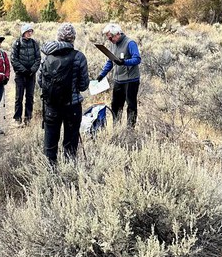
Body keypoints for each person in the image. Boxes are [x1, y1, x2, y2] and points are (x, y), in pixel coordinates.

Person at [38, 23, 89, 165]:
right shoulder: (79, 57)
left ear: (58, 37)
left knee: (50, 143)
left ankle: (50, 172)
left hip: (51, 106)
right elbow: (84, 85)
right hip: (72, 106)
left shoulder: (47, 56)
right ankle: (69, 174)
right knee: (70, 144)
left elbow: (40, 82)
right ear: (73, 38)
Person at [95, 24, 141, 128]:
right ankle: (116, 127)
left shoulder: (130, 43)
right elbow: (110, 61)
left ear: (117, 34)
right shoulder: (113, 44)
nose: (109, 39)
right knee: (115, 105)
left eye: (110, 37)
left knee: (131, 106)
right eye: (107, 37)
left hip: (131, 80)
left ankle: (130, 129)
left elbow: (137, 59)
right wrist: (102, 75)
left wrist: (124, 62)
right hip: (118, 80)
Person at [10, 23, 40, 126]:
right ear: (23, 32)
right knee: (19, 97)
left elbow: (38, 58)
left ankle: (28, 118)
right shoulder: (17, 43)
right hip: (20, 75)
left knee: (30, 97)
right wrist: (24, 70)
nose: (29, 33)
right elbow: (14, 60)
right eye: (27, 31)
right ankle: (17, 118)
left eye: (31, 31)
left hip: (31, 75)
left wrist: (32, 70)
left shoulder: (34, 43)